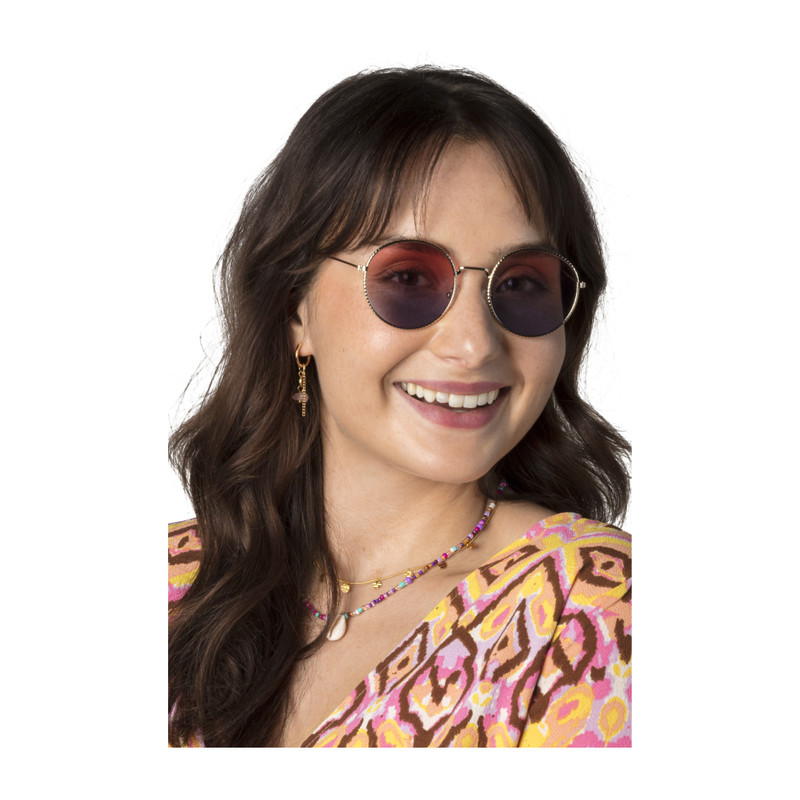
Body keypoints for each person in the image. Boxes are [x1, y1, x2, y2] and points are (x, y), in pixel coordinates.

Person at [168, 66, 632, 748]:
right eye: (410, 277)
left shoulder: (590, 612)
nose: (473, 345)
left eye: (521, 284)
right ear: (294, 309)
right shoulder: (176, 579)